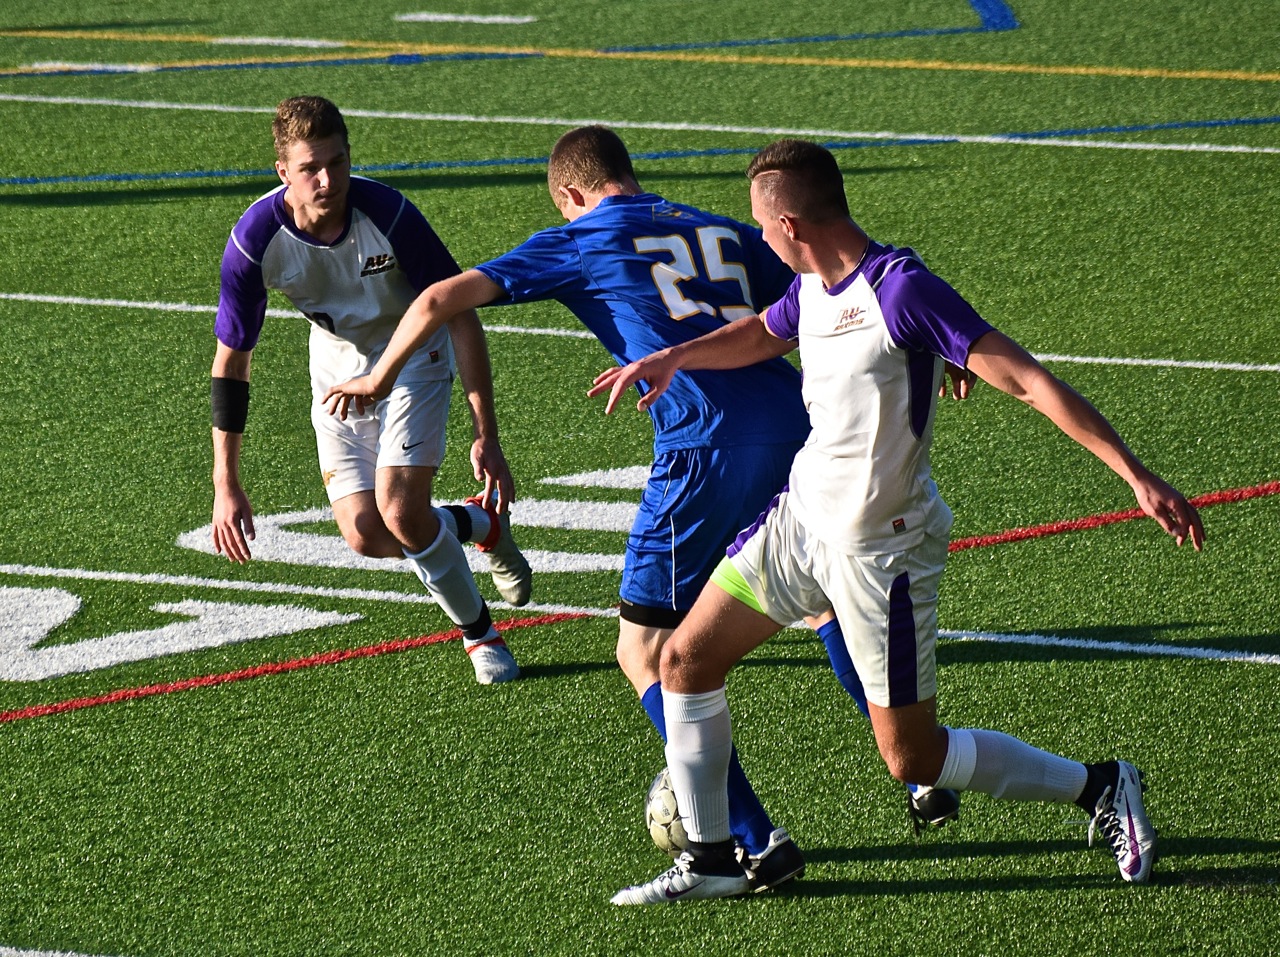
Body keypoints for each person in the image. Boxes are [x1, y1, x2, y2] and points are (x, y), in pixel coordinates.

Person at [321, 125, 956, 889]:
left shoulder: (584, 235)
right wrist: (939, 340)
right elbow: (828, 277)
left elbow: (441, 295)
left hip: (702, 448)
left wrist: (378, 377)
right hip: (798, 432)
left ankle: (751, 841)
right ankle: (922, 774)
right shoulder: (711, 223)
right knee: (820, 603)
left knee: (645, 652)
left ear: (571, 197)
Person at [600, 138, 1205, 904]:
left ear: (789, 221)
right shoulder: (812, 285)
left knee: (913, 757)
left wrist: (1136, 475)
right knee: (683, 662)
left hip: (882, 553)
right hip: (800, 522)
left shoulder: (901, 290)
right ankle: (714, 857)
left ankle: (1101, 785)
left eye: (761, 224)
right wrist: (674, 358)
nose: (756, 238)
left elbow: (1024, 379)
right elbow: (765, 331)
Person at [210, 95, 532, 686]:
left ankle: (480, 636)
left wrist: (486, 431)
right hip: (335, 370)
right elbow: (232, 362)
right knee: (365, 533)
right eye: (310, 168)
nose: (328, 179)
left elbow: (459, 313)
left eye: (337, 161)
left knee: (401, 510)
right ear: (283, 172)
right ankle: (478, 525)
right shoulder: (254, 242)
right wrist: (226, 482)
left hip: (415, 355)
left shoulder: (388, 214)